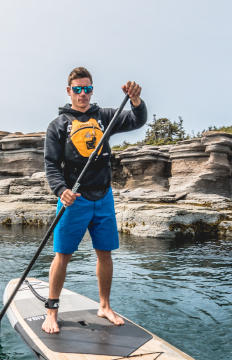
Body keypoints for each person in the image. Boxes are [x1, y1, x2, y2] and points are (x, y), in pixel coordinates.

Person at [42, 67, 147, 334]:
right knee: (62, 255)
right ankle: (51, 312)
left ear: (92, 90)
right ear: (69, 91)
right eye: (77, 89)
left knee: (105, 252)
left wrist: (136, 101)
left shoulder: (105, 117)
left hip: (103, 197)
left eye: (87, 88)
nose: (83, 94)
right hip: (74, 199)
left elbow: (137, 120)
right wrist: (60, 189)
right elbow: (52, 165)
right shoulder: (58, 125)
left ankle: (104, 306)